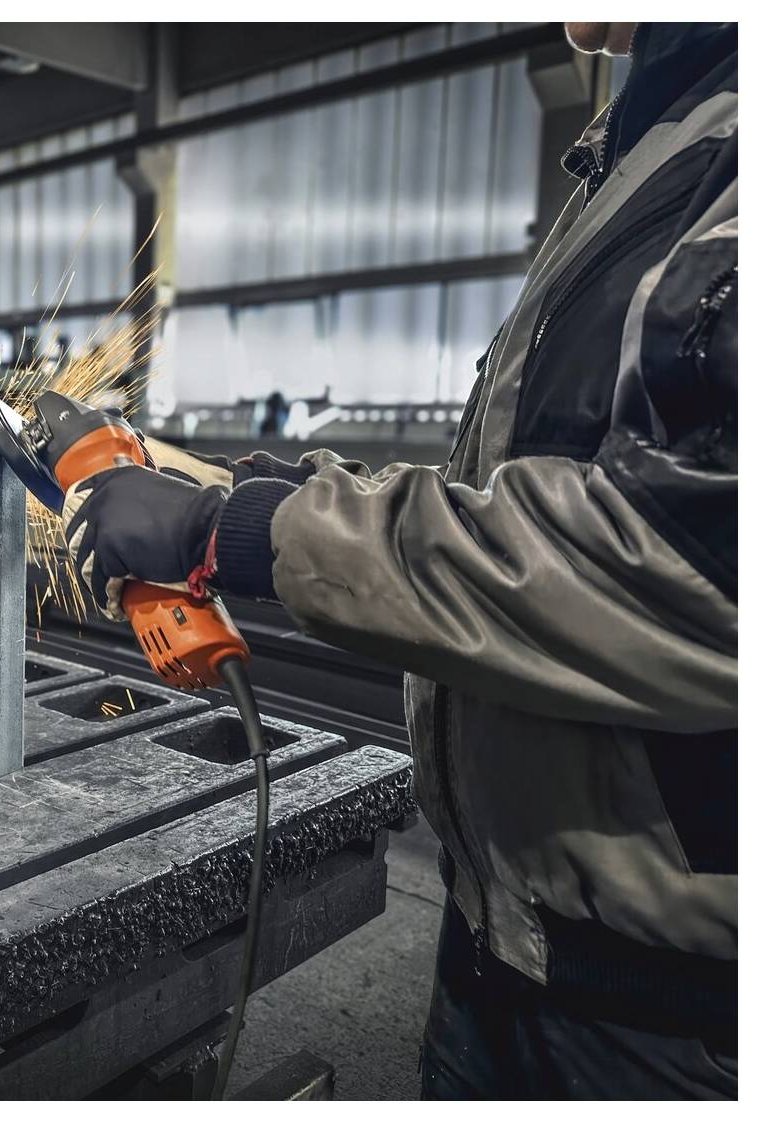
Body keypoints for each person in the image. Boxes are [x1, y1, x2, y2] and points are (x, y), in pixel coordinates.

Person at [62, 22, 736, 1099]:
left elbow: (685, 576)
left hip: (675, 1018)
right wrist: (253, 486)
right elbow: (514, 490)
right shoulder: (642, 146)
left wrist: (230, 533)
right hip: (511, 943)